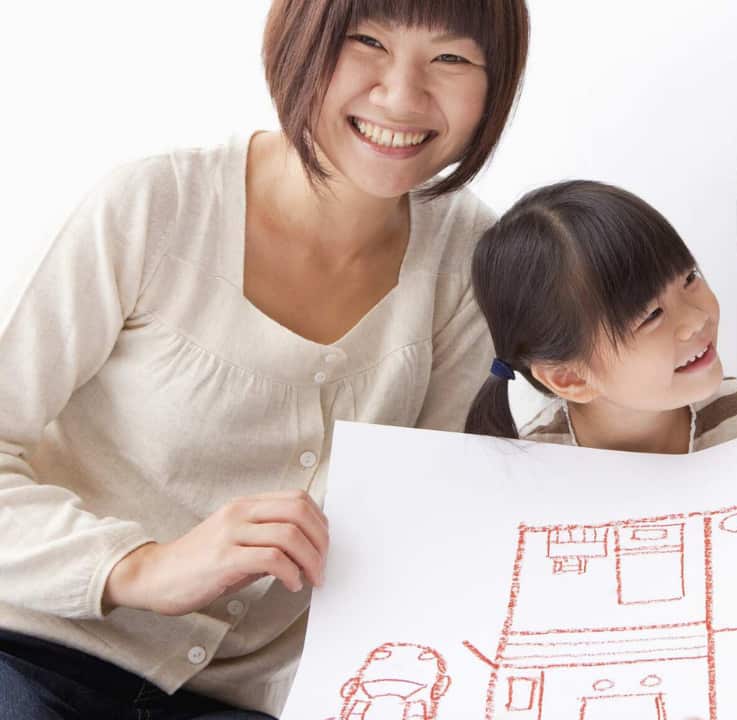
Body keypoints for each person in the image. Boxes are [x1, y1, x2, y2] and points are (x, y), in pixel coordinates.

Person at [0, 1, 529, 717]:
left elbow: (424, 518)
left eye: (452, 58)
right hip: (37, 653)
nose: (403, 95)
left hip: (263, 699)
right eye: (366, 41)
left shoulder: (470, 257)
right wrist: (140, 568)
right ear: (298, 44)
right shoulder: (154, 205)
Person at [465, 180, 737, 453]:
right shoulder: (537, 475)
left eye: (689, 278)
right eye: (652, 316)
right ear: (571, 377)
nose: (696, 319)